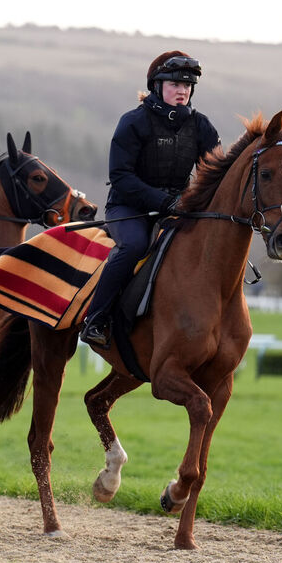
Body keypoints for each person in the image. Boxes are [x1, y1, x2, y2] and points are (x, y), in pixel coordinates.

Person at [79, 51, 222, 347]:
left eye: (187, 86)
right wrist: (163, 202)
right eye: (174, 85)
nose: (181, 91)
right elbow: (120, 176)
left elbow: (215, 175)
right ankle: (96, 318)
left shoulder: (202, 126)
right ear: (157, 86)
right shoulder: (133, 122)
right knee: (134, 246)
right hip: (127, 207)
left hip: (177, 208)